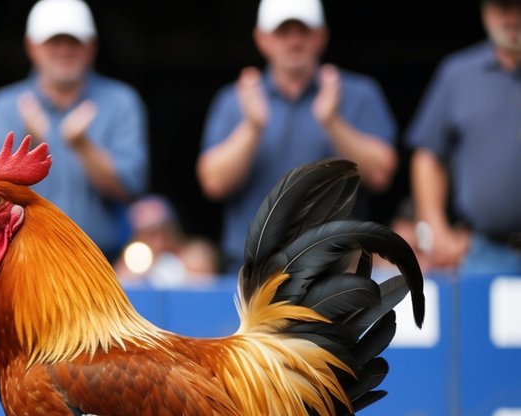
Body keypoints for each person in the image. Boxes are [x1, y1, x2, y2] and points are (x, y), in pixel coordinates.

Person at [197, 0, 398, 276]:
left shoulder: (357, 93)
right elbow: (213, 182)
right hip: (255, 272)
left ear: (321, 37)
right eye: (283, 32)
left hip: (335, 273)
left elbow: (382, 174)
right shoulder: (234, 100)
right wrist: (252, 127)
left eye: (303, 31)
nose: (294, 41)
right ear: (262, 39)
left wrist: (332, 122)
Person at [0, 0, 149, 260]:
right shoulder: (4, 107)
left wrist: (84, 147)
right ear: (31, 47)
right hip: (25, 261)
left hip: (104, 261)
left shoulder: (121, 101)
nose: (64, 50)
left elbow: (131, 187)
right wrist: (30, 144)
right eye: (54, 42)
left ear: (91, 47)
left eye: (74, 42)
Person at [405, 0, 521, 275]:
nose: (512, 18)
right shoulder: (458, 74)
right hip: (484, 252)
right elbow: (428, 156)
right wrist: (435, 229)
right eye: (503, 8)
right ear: (485, 11)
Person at [114, 194, 220, 288]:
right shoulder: (131, 264)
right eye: (149, 234)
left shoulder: (194, 255)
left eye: (164, 231)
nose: (159, 240)